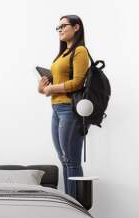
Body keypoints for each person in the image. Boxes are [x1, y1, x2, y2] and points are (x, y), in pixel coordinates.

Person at [38, 15, 90, 198]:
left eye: (63, 26)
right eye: (57, 27)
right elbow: (61, 82)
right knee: (64, 160)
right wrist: (43, 87)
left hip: (69, 110)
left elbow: (77, 83)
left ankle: (76, 206)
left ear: (76, 27)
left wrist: (52, 88)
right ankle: (70, 201)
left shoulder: (80, 51)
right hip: (57, 109)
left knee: (72, 161)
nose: (59, 29)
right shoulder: (63, 54)